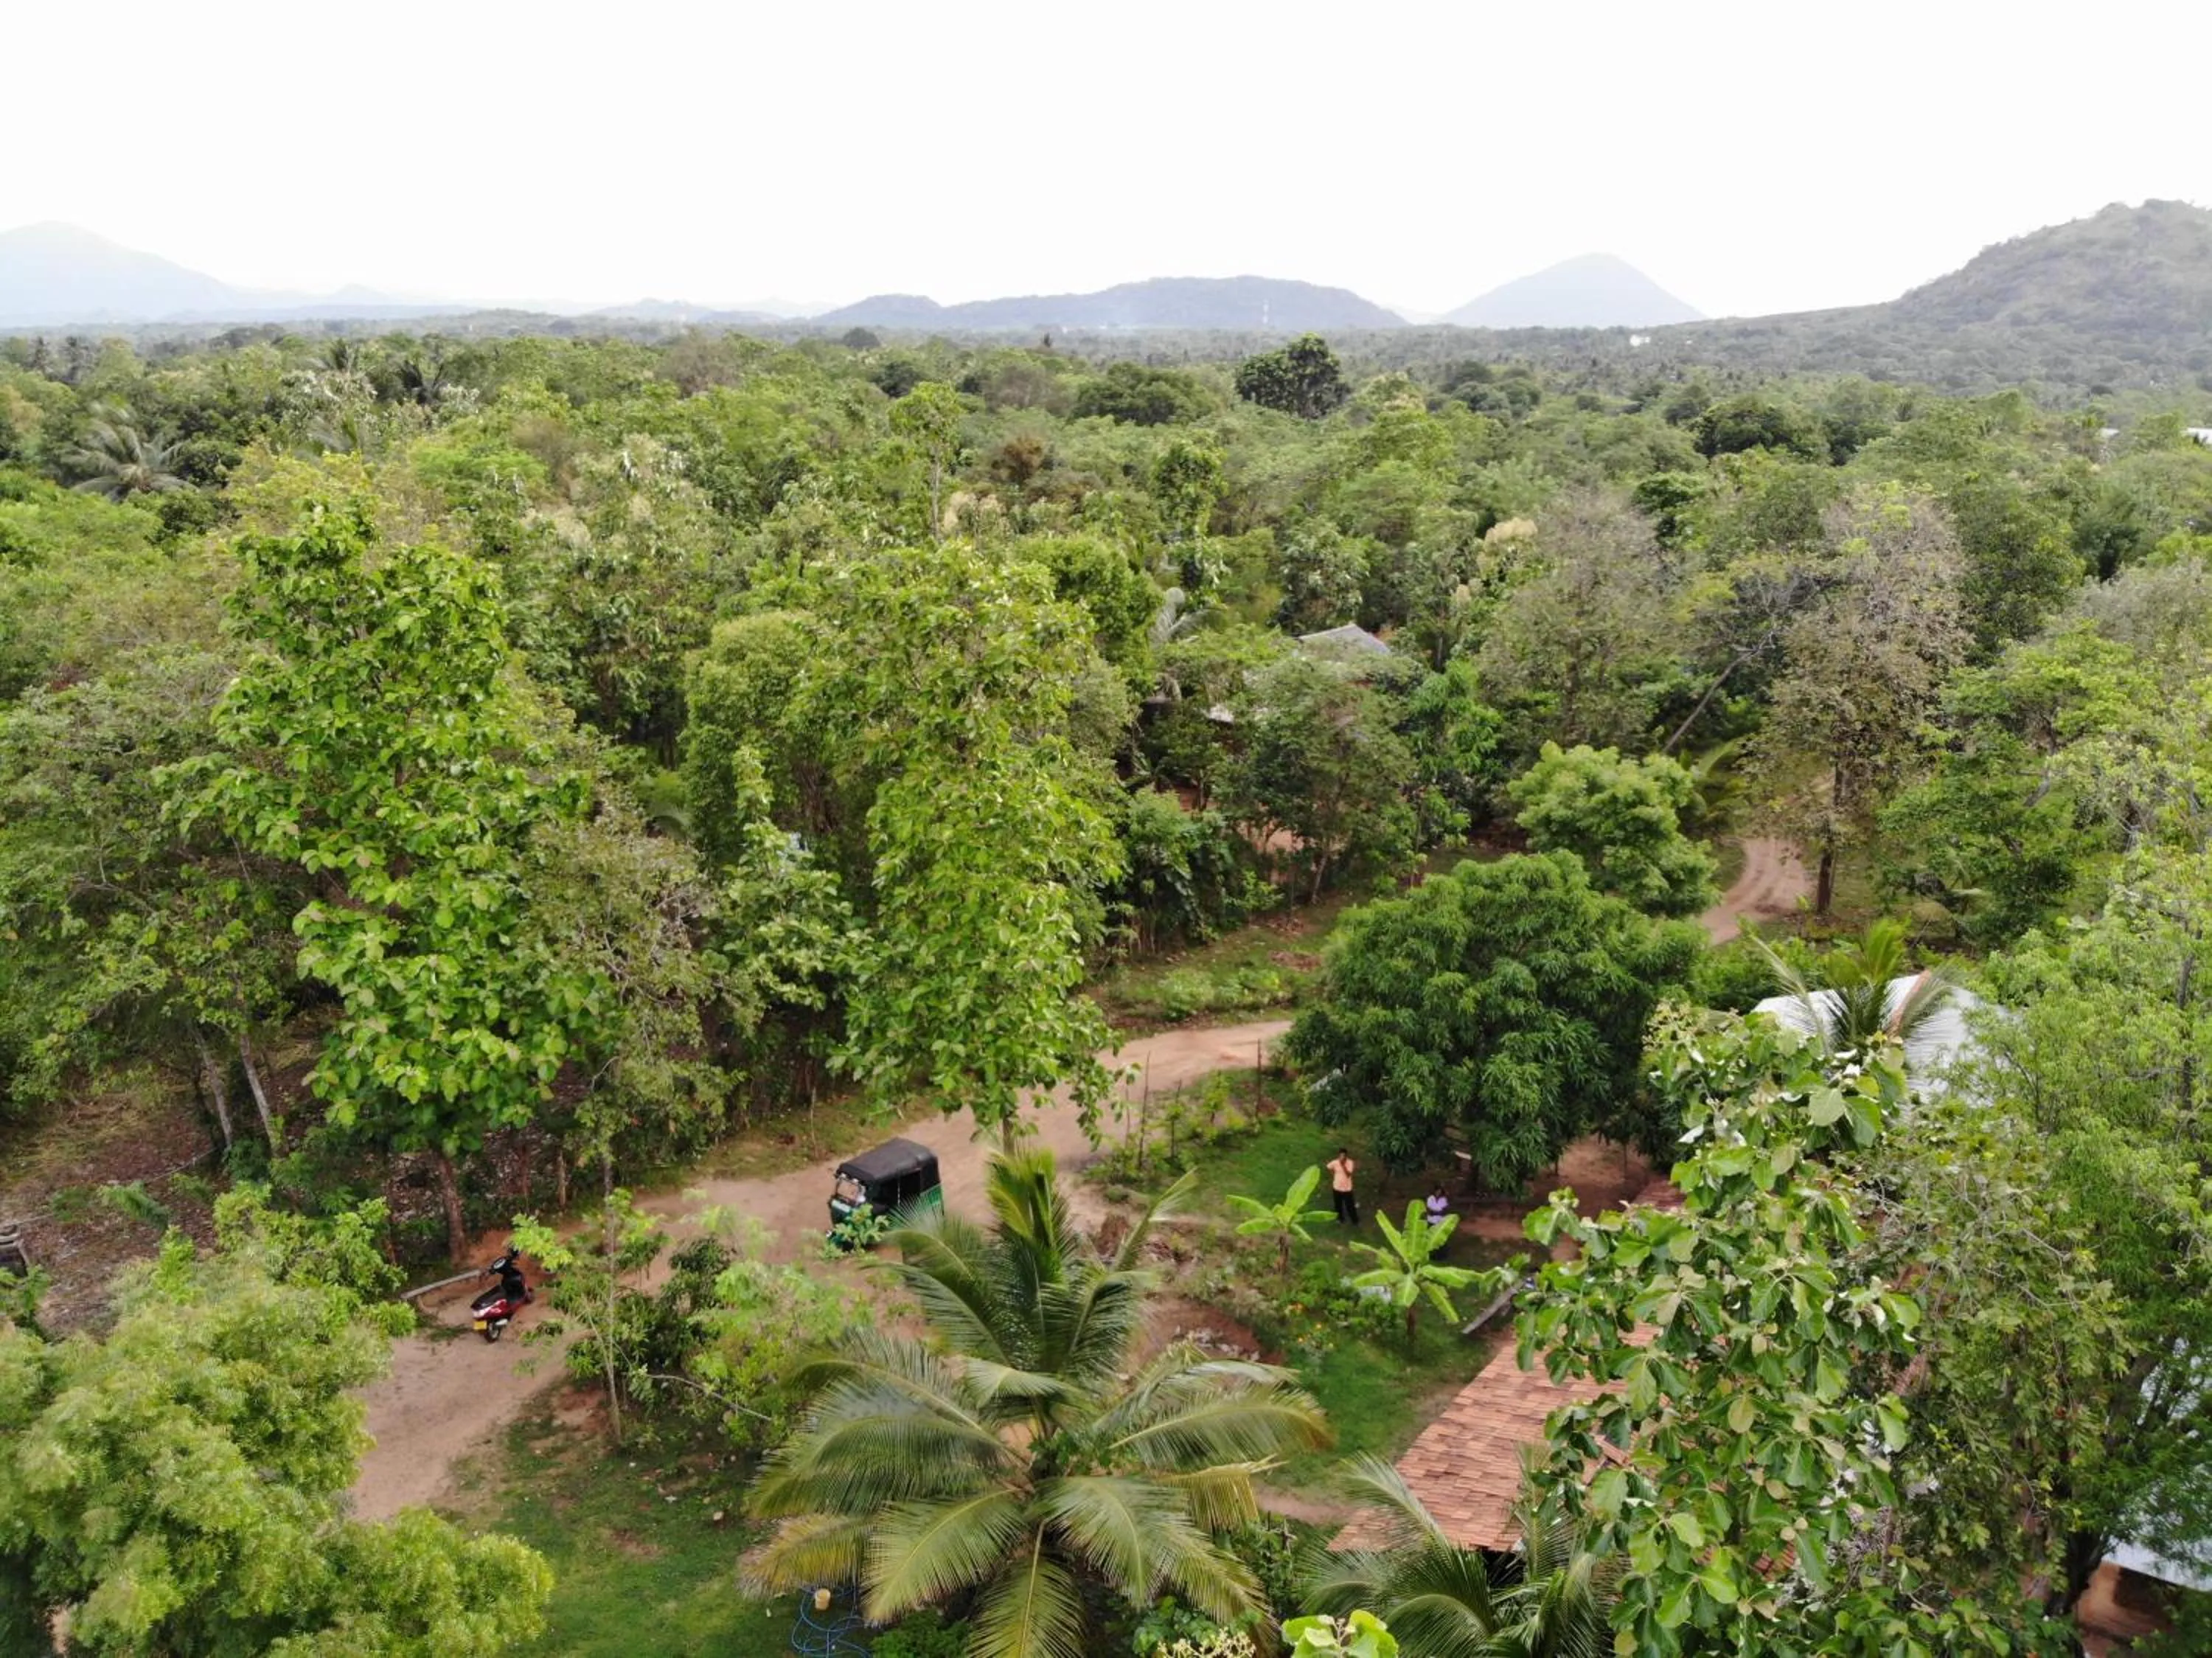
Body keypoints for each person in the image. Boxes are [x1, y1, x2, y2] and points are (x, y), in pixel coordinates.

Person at [1326, 1148, 1359, 1226]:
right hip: (1337, 1187)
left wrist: (1343, 1165)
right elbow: (1328, 1167)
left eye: (1344, 1156)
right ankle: (1340, 1219)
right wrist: (1334, 1174)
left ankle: (1355, 1220)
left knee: (1350, 1205)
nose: (1342, 1157)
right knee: (1338, 1205)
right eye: (1341, 1155)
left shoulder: (1350, 1163)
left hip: (1347, 1189)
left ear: (1346, 1156)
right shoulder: (1335, 1162)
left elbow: (1348, 1175)